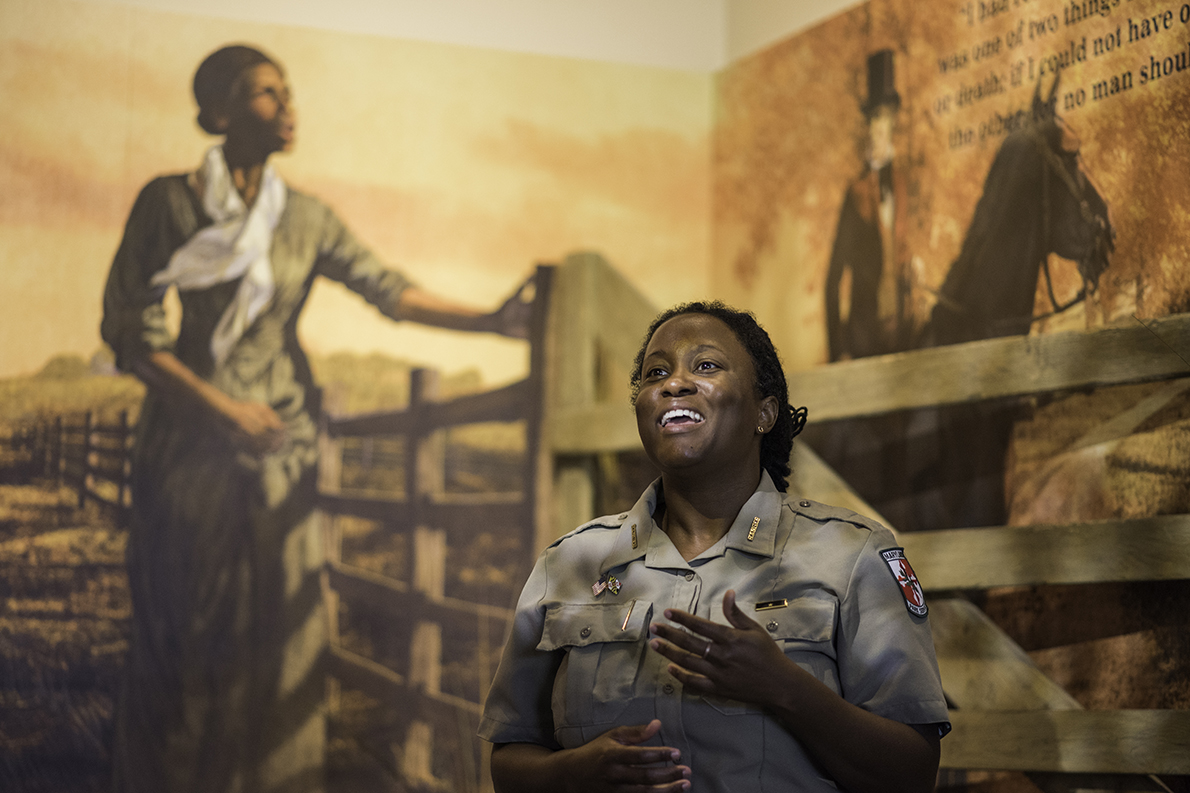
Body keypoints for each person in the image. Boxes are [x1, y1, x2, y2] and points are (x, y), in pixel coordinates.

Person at [101, 44, 528, 793]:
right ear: (219, 114)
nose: (288, 104)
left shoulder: (304, 217)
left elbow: (387, 288)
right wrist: (225, 411)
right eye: (266, 93)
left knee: (287, 634)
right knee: (188, 632)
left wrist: (491, 320)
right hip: (190, 450)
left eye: (289, 90)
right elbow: (132, 335)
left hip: (282, 449)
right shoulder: (167, 203)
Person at [479, 301, 949, 792]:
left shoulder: (853, 556)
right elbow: (510, 761)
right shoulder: (571, 563)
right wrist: (574, 773)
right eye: (655, 372)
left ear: (764, 413)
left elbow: (913, 774)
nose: (673, 383)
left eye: (705, 365)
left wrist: (787, 689)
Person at [825, 49, 930, 361]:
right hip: (863, 335)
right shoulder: (855, 193)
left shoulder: (903, 185)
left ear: (893, 122)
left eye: (886, 118)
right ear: (867, 126)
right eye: (874, 119)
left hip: (902, 329)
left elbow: (906, 245)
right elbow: (833, 277)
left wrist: (916, 265)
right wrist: (837, 349)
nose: (880, 127)